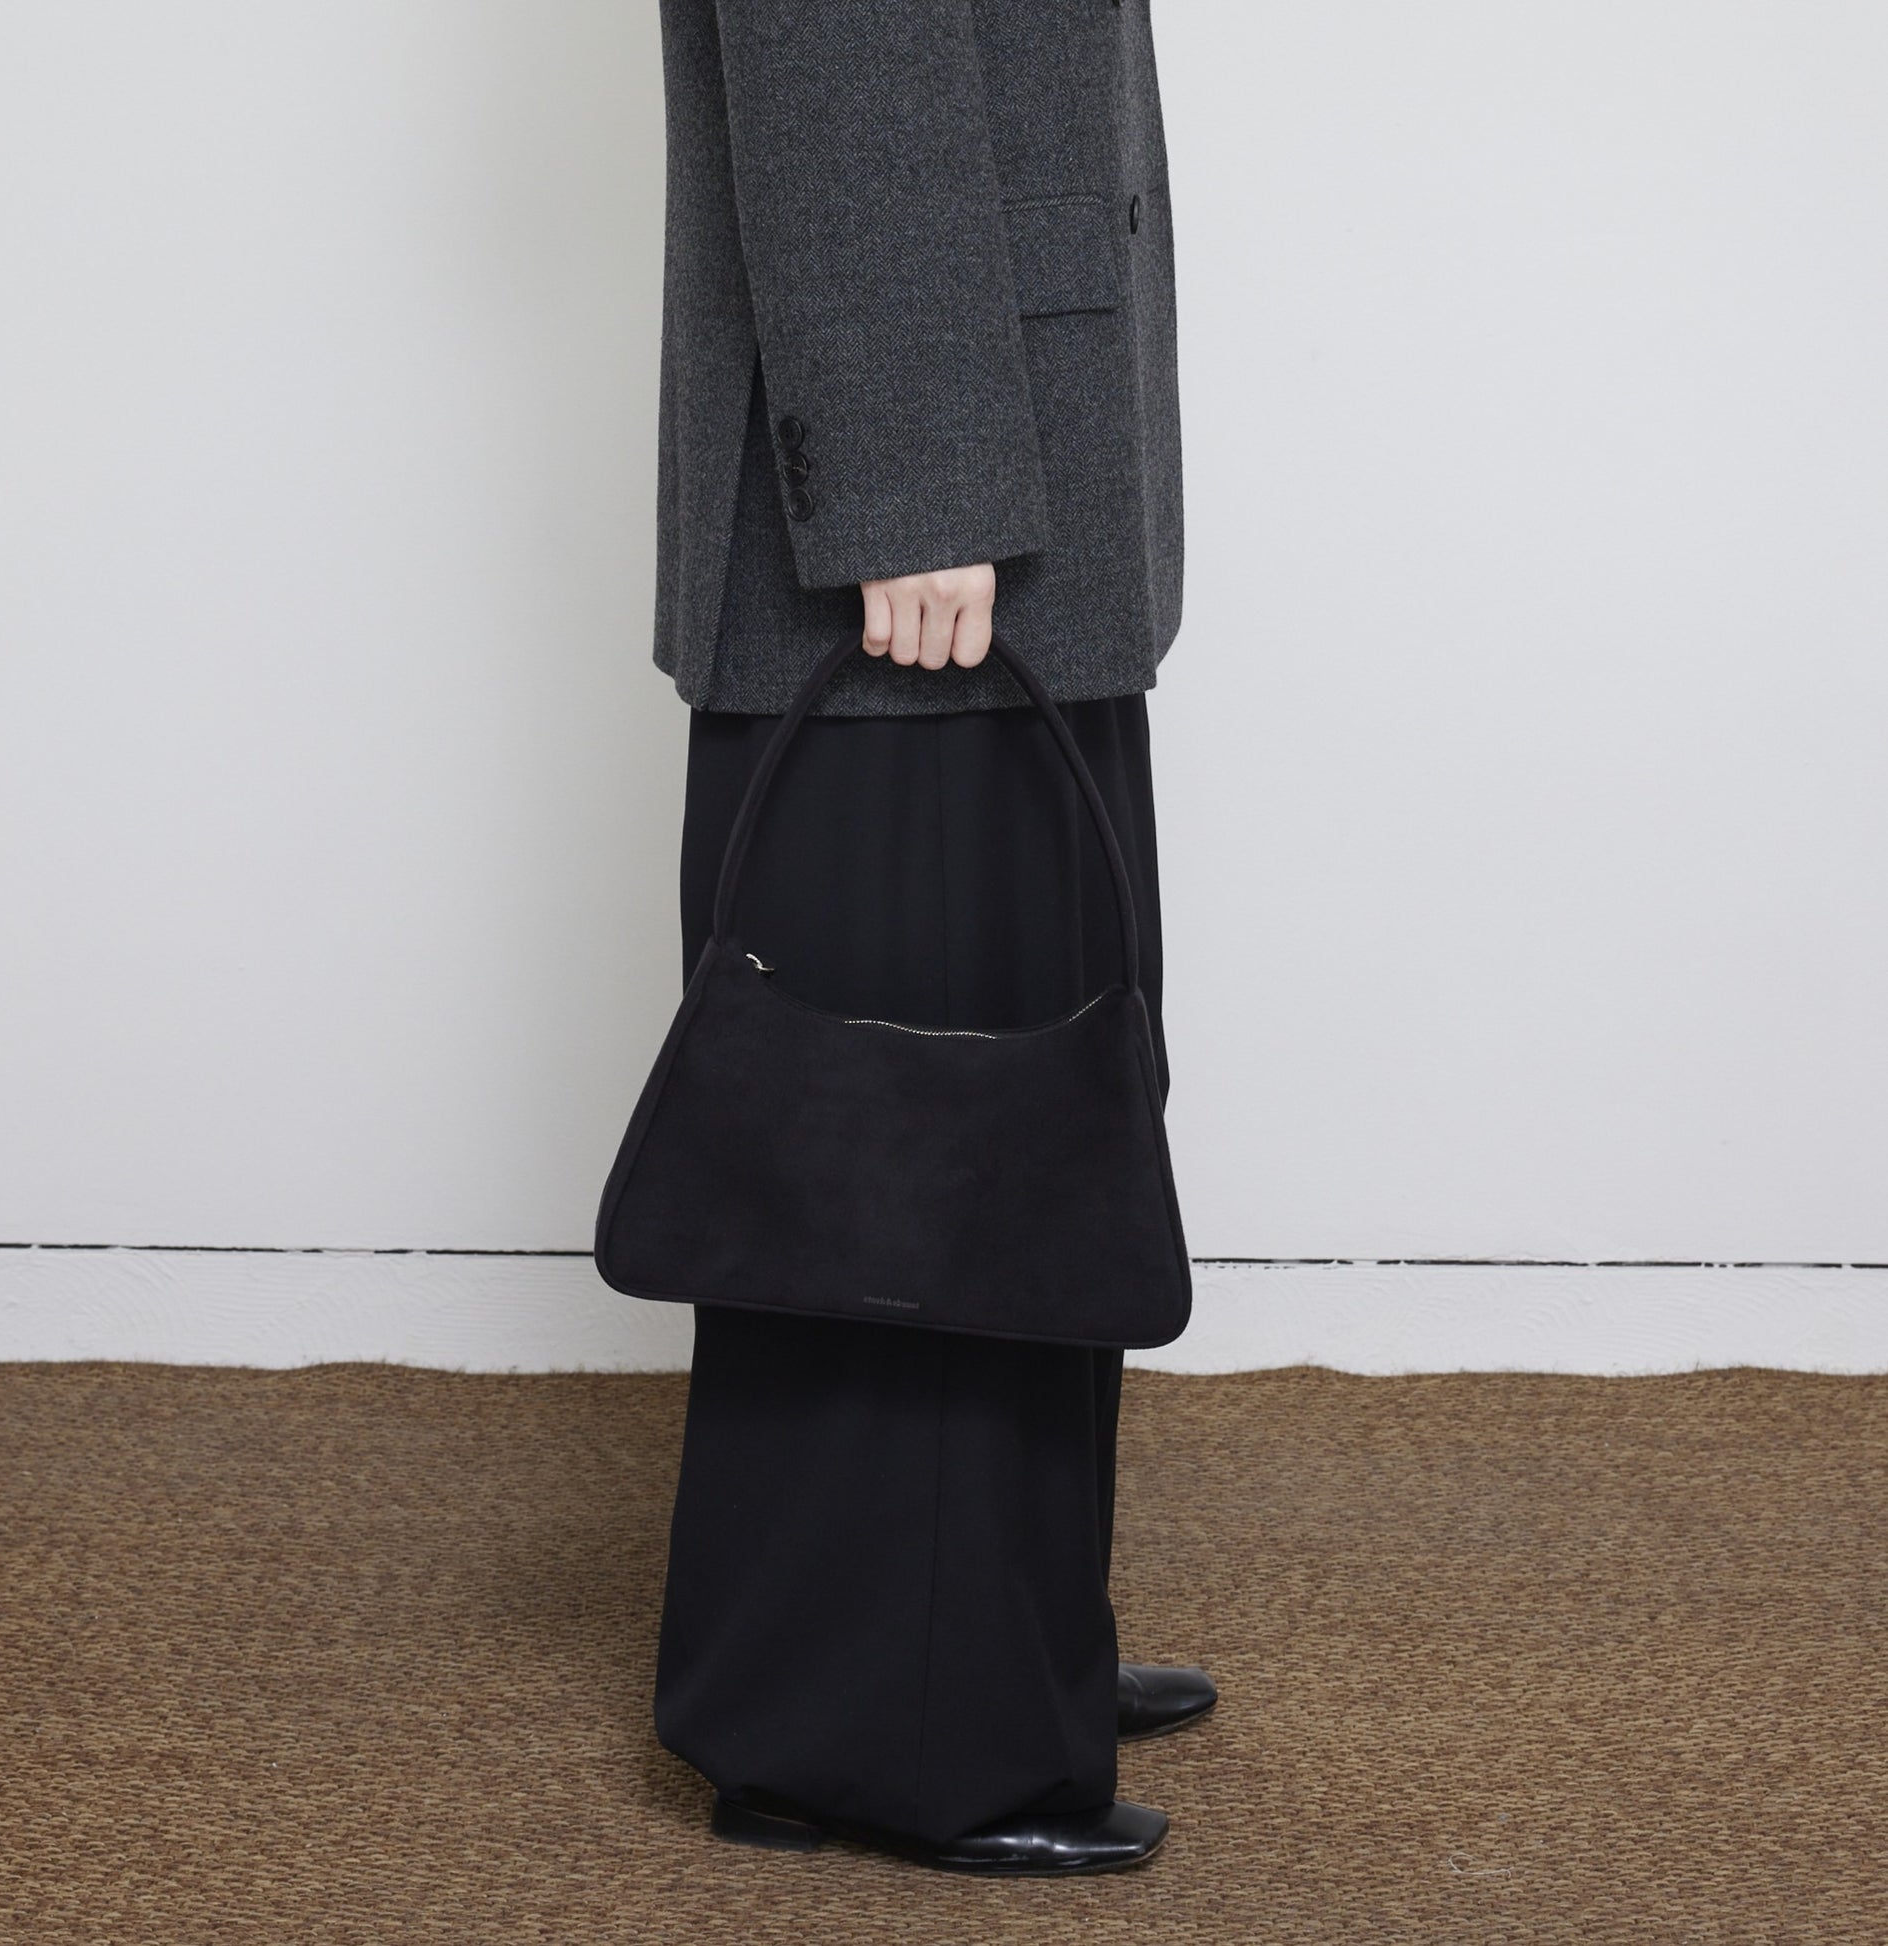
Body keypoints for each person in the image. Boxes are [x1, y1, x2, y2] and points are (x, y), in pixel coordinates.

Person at [642, 0, 1210, 1876]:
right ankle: (880, 1734)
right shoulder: (922, 488)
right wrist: (913, 475)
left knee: (1027, 1115)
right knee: (905, 1158)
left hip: (1005, 448)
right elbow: (837, 52)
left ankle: (994, 1638)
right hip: (929, 501)